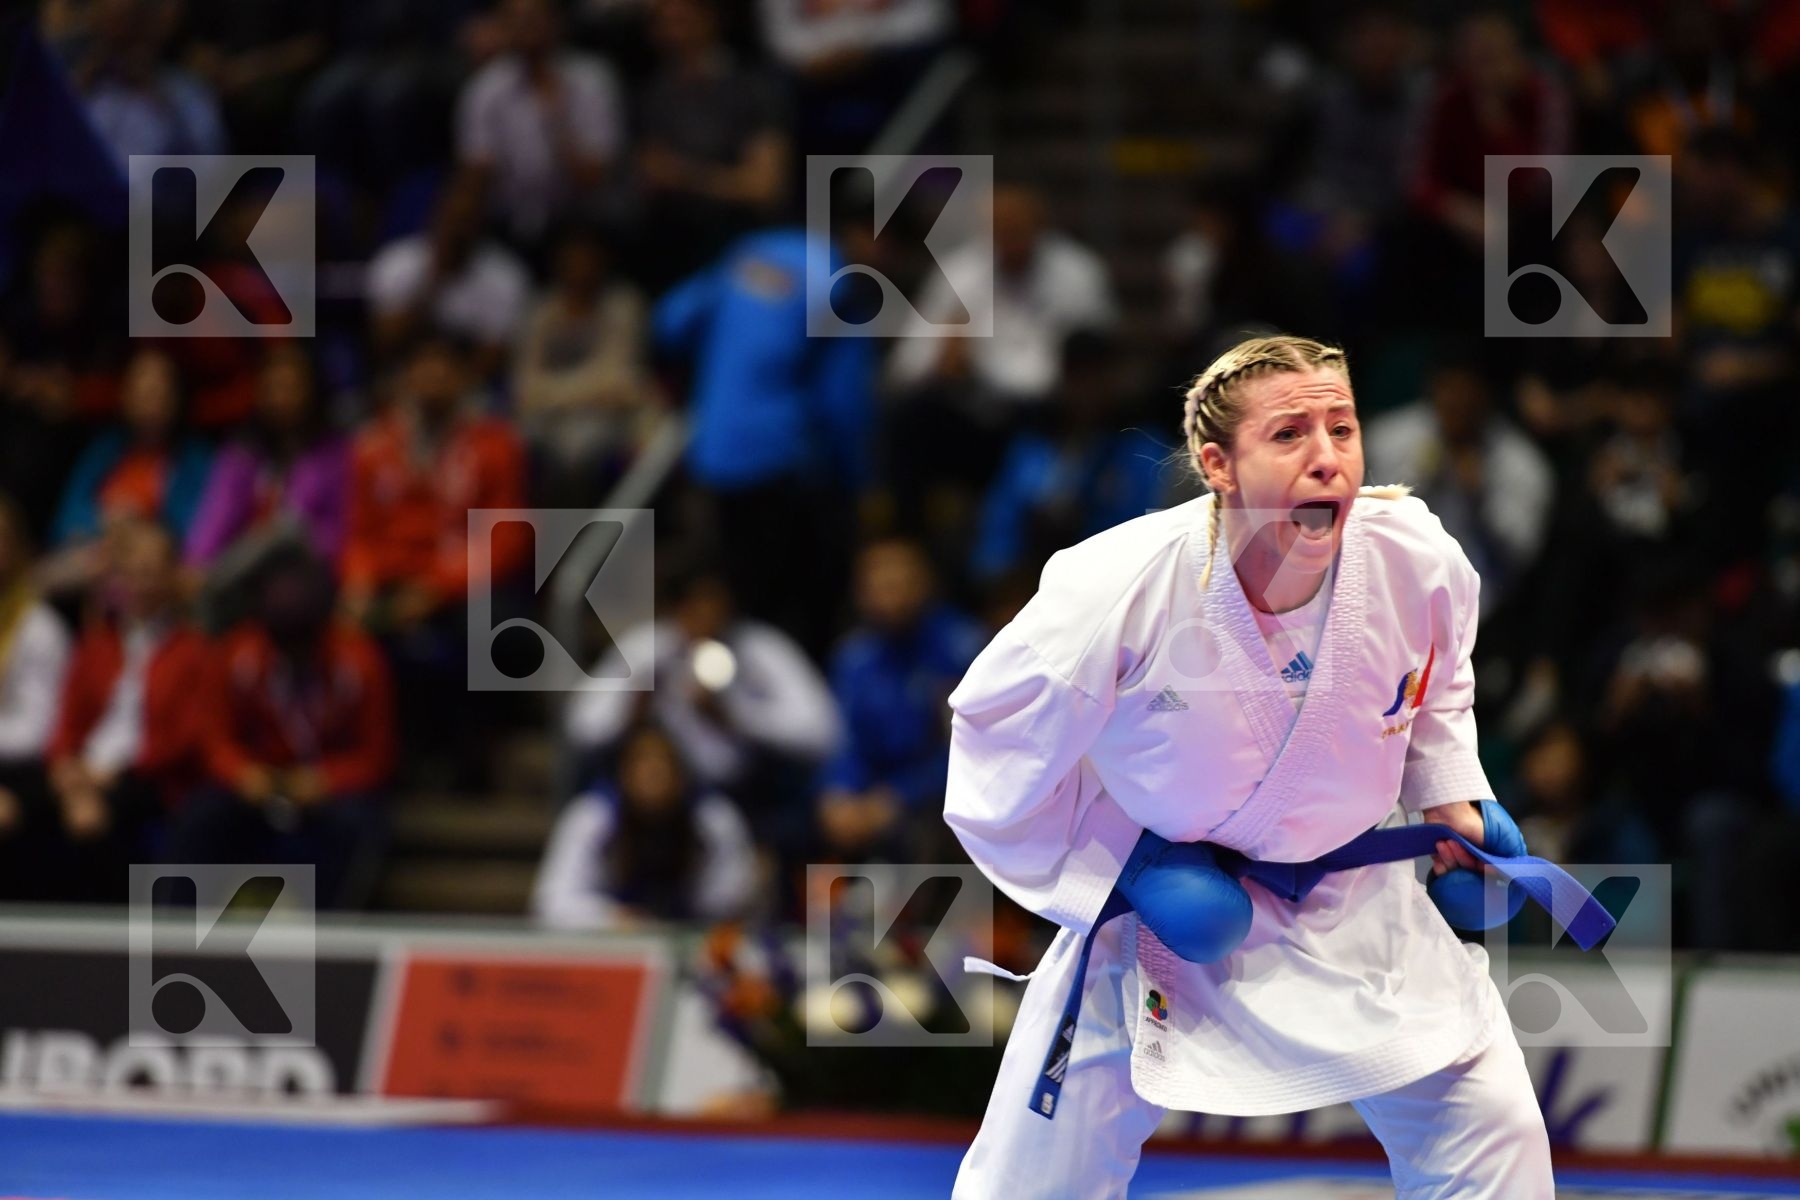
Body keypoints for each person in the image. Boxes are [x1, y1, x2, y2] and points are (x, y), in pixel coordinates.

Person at [946, 335, 1561, 1199]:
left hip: (1358, 912)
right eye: (1289, 435)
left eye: (1342, 429)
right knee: (1032, 1181)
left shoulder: (1414, 555)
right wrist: (1122, 866)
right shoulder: (1116, 586)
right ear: (1216, 465)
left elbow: (1436, 679)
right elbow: (991, 741)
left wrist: (1448, 792)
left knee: (1490, 1124)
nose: (1327, 459)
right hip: (1169, 922)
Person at [172, 548, 394, 909]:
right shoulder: (236, 654)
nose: (292, 651)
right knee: (201, 817)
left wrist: (328, 780)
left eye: (302, 640)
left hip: (325, 789)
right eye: (282, 640)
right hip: (258, 781)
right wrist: (241, 773)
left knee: (359, 824)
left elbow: (376, 755)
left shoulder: (361, 661)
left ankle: (330, 936)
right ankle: (176, 932)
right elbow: (214, 737)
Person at [533, 722, 757, 930]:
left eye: (663, 763)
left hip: (692, 937)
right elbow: (553, 901)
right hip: (616, 945)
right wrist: (612, 918)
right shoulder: (593, 815)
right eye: (643, 762)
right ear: (624, 772)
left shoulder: (713, 817)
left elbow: (735, 896)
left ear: (682, 774)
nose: (653, 773)